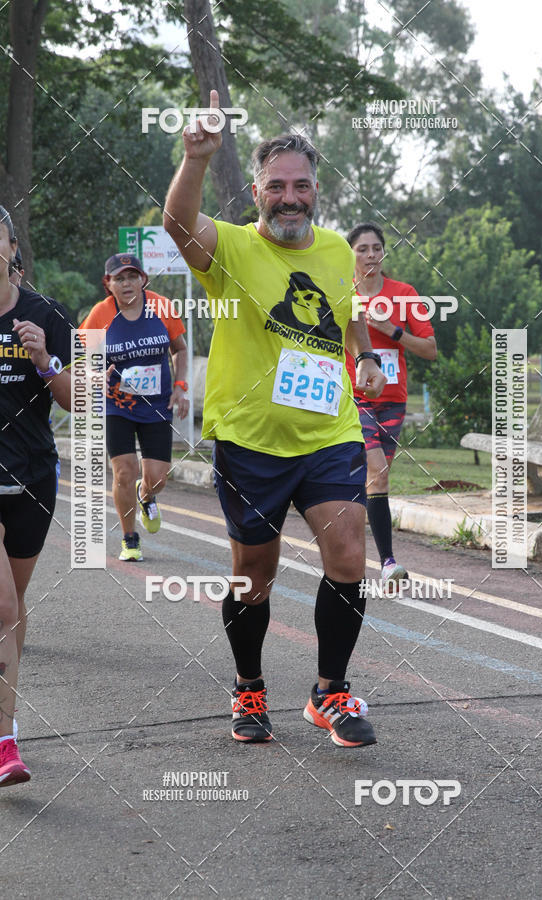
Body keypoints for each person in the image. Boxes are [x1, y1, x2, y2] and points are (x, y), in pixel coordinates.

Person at [164, 91, 387, 748]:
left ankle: (330, 693)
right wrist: (196, 159)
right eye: (277, 187)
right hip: (250, 440)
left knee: (348, 554)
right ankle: (249, 686)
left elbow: (347, 311)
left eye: (301, 186)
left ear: (316, 191)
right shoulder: (231, 248)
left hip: (328, 432)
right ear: (258, 192)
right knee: (254, 578)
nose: (290, 198)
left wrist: (365, 356)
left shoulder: (337, 251)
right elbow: (178, 224)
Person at [0, 205, 73, 785]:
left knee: (13, 604)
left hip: (32, 478)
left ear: (12, 249)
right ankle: (5, 738)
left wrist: (45, 360)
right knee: (1, 607)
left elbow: (82, 400)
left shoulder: (45, 314)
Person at [80, 254, 189, 561]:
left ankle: (147, 495)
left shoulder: (162, 306)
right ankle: (130, 538)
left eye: (132, 276)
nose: (126, 283)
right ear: (108, 284)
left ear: (143, 279)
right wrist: (93, 375)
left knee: (158, 477)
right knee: (124, 471)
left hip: (157, 403)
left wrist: (181, 386)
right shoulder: (101, 314)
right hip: (116, 405)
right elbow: (82, 358)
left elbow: (179, 349)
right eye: (119, 278)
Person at [346, 222, 437, 584]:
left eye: (377, 248)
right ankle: (387, 562)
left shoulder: (404, 294)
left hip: (393, 401)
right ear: (350, 254)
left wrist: (392, 330)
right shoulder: (343, 293)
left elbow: (429, 349)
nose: (371, 255)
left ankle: (362, 554)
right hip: (354, 397)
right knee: (377, 470)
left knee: (374, 479)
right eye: (362, 249)